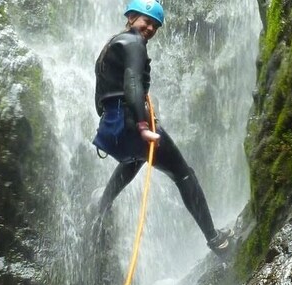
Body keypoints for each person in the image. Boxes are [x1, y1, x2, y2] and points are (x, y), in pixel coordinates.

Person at [91, 0, 231, 255]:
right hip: (134, 123)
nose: (151, 28)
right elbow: (133, 83)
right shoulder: (134, 43)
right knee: (183, 173)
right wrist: (142, 125)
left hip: (113, 129)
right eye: (147, 21)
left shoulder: (111, 45)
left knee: (134, 160)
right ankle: (215, 240)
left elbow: (101, 92)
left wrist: (112, 121)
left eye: (155, 25)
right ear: (132, 17)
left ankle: (101, 209)